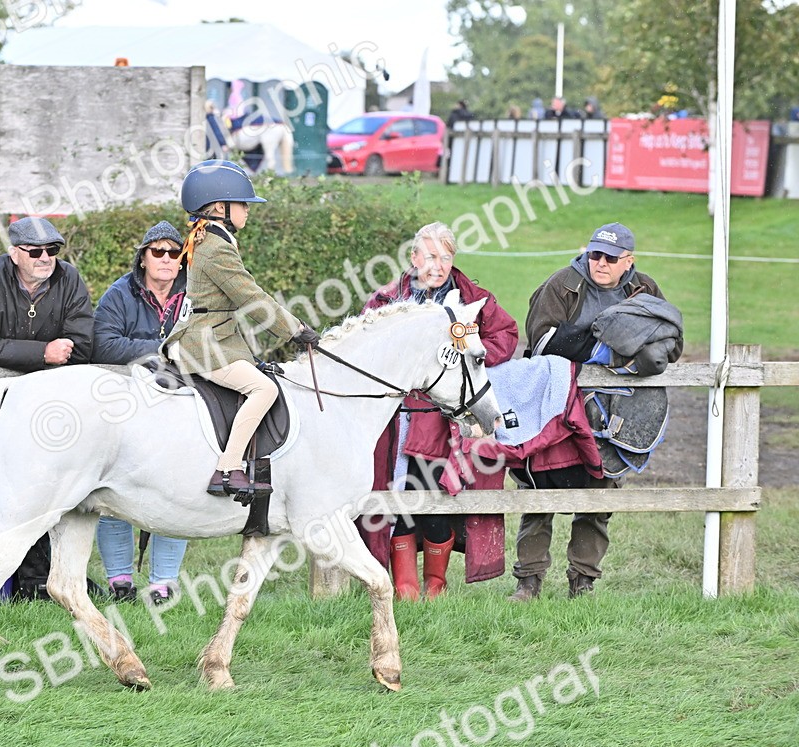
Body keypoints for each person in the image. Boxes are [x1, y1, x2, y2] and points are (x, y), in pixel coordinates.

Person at [510, 223, 681, 601]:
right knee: (541, 486)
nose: (601, 263)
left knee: (601, 489)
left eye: (611, 258)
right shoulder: (562, 285)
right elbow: (543, 342)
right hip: (557, 404)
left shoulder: (645, 289)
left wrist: (617, 349)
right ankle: (529, 581)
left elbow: (668, 344)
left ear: (629, 261)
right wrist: (611, 349)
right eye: (595, 255)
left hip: (617, 408)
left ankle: (583, 580)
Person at [355, 222, 519, 599]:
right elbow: (364, 342)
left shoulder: (473, 299)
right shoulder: (387, 300)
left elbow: (506, 335)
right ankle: (404, 587)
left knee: (436, 495)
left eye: (446, 257)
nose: (438, 265)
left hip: (445, 421)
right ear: (414, 258)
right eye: (430, 256)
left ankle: (435, 587)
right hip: (395, 419)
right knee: (396, 495)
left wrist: (471, 358)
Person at [0, 216, 94, 600]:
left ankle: (34, 583)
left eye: (52, 250)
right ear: (14, 253)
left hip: (38, 407)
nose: (46, 257)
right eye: (35, 251)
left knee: (38, 487)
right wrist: (43, 353)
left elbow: (82, 346)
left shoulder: (70, 280)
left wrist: (36, 357)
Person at [161, 159, 315, 497]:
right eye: (243, 203)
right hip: (203, 343)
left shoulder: (211, 239)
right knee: (264, 389)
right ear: (220, 207)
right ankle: (227, 469)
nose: (248, 209)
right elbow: (250, 297)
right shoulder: (216, 248)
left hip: (214, 335)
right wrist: (294, 330)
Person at [92, 220, 190, 604]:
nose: (166, 258)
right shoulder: (119, 294)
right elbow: (103, 344)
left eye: (174, 252)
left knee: (178, 491)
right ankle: (119, 582)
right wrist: (162, 350)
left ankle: (162, 585)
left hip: (181, 408)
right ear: (143, 258)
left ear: (182, 260)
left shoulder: (196, 295)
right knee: (114, 491)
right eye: (157, 251)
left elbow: (210, 341)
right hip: (126, 409)